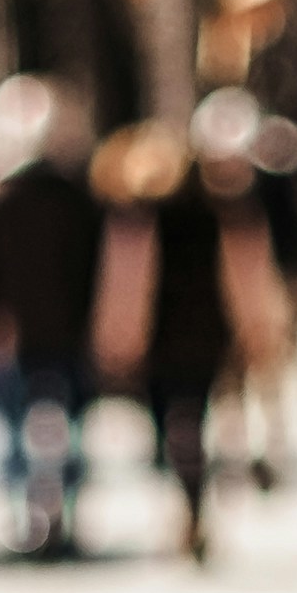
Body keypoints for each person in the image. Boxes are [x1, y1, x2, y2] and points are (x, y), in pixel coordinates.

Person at [0, 78, 103, 557]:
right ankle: (62, 513)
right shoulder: (76, 200)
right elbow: (91, 269)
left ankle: (27, 515)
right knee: (67, 430)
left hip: (17, 337)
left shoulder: (0, 204)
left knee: (17, 433)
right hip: (66, 333)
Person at [91, 119, 238, 565]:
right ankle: (189, 505)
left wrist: (115, 338)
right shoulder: (209, 214)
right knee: (189, 424)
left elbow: (123, 285)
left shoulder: (141, 218)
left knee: (175, 428)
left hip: (162, 342)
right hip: (201, 338)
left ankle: (186, 505)